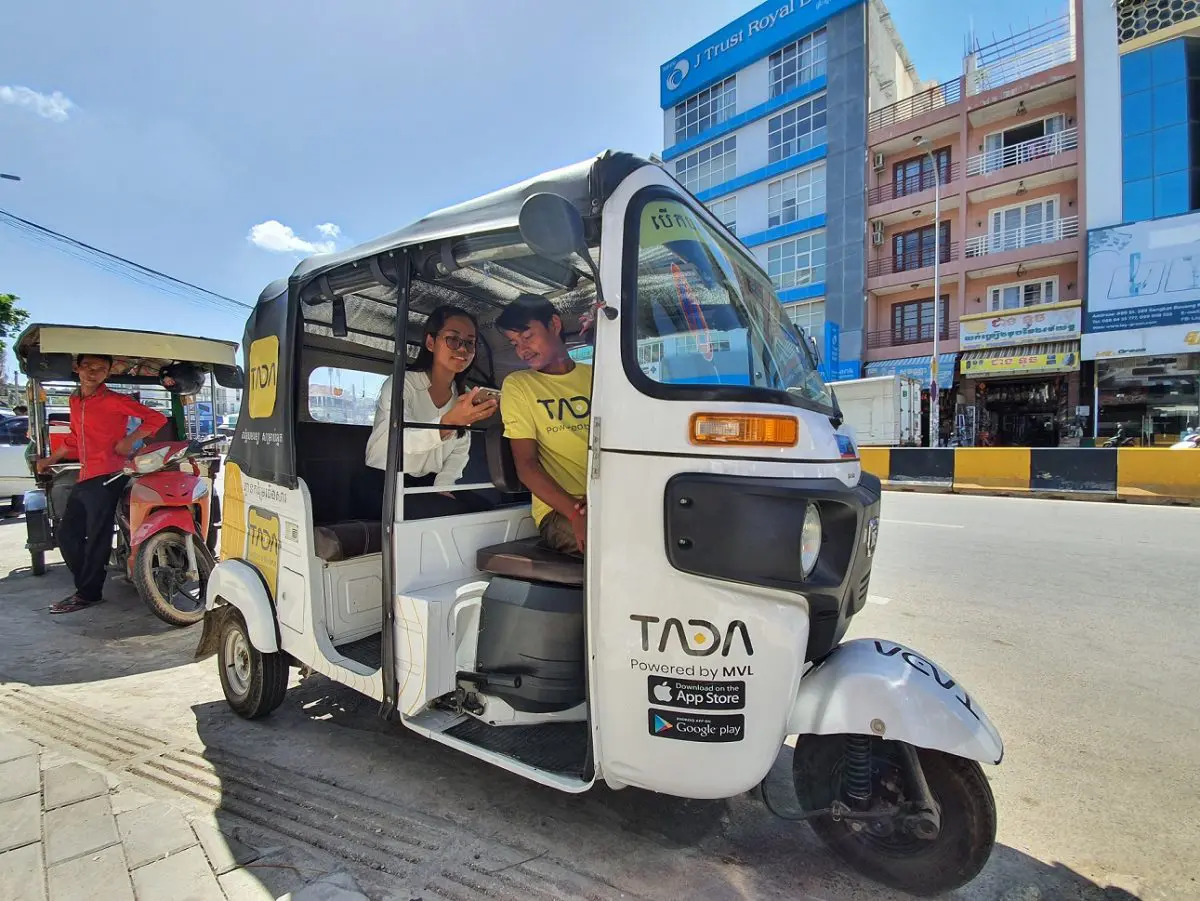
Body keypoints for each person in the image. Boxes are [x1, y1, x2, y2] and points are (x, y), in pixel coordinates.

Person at [36, 353, 169, 614]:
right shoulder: (75, 400)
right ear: (78, 368)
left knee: (97, 536)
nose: (92, 372)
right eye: (87, 366)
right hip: (86, 475)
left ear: (108, 373)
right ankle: (89, 579)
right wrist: (50, 459)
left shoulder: (115, 400)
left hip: (110, 475)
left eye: (100, 368)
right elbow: (75, 438)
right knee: (67, 534)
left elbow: (156, 418)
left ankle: (89, 592)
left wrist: (130, 441)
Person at [363, 305, 498, 518]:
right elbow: (400, 440)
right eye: (453, 339)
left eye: (470, 343)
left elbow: (459, 451)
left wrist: (442, 486)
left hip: (428, 484)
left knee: (487, 512)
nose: (462, 349)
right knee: (453, 514)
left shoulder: (464, 395)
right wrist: (450, 423)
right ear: (431, 342)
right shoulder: (401, 385)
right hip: (384, 483)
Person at [496, 294, 592, 556]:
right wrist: (575, 512)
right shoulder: (519, 385)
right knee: (616, 546)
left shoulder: (596, 376)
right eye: (514, 343)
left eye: (527, 337)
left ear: (554, 324)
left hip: (610, 501)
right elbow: (526, 467)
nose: (522, 350)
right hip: (560, 511)